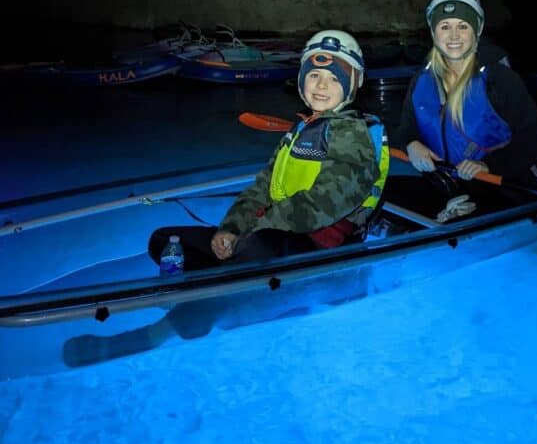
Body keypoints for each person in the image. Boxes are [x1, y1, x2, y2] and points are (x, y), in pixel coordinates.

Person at [148, 30, 390, 271]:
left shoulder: (352, 134)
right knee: (163, 240)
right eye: (314, 75)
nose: (321, 85)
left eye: (335, 79)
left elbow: (324, 203)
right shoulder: (300, 130)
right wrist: (231, 229)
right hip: (272, 228)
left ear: (351, 85)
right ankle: (220, 277)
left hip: (314, 244)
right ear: (301, 80)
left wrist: (256, 227)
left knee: (257, 247)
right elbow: (262, 188)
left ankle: (229, 284)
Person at [395, 0, 537, 184]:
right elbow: (406, 128)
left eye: (463, 25)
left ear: (476, 31)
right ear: (434, 33)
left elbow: (535, 139)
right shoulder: (421, 81)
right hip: (444, 183)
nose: (453, 35)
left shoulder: (500, 80)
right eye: (444, 26)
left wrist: (490, 166)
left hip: (498, 185)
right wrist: (411, 143)